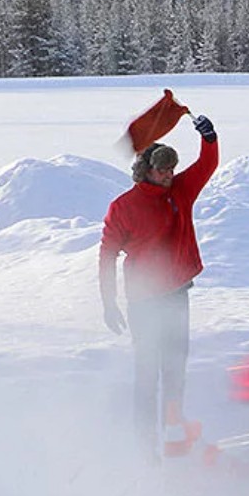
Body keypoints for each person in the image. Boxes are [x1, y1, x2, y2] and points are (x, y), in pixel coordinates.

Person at [99, 112, 219, 457]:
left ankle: (174, 434)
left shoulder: (180, 192)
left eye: (170, 170)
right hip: (144, 303)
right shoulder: (123, 207)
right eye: (161, 170)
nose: (168, 176)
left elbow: (206, 166)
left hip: (177, 297)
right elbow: (107, 256)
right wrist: (109, 302)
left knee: (175, 369)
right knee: (148, 373)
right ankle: (144, 444)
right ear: (145, 170)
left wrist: (209, 138)